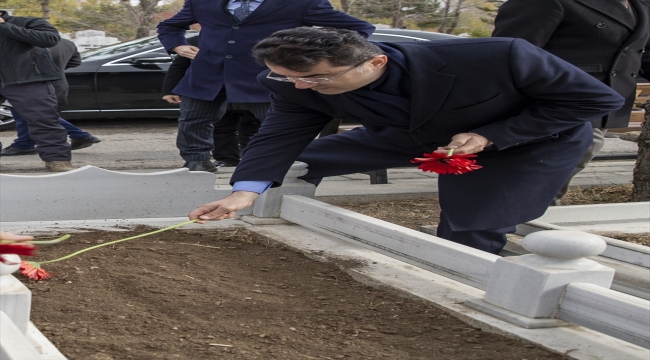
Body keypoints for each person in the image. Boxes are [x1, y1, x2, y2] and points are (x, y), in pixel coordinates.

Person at [188, 27, 624, 254]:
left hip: (526, 140)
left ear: (373, 61)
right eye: (287, 78)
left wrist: (491, 135)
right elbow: (279, 135)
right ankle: (276, 210)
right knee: (299, 159)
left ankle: (467, 276)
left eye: (315, 77)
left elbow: (594, 99)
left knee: (471, 219)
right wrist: (245, 191)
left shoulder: (500, 55)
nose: (299, 87)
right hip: (405, 134)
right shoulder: (295, 85)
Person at [156, 0, 375, 172]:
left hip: (265, 74)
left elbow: (358, 28)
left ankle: (278, 164)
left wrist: (317, 55)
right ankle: (197, 162)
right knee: (193, 119)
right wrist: (177, 45)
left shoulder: (303, 3)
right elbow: (169, 26)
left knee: (277, 122)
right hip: (207, 72)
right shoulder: (200, 2)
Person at [492, 0, 650, 205]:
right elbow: (507, 55)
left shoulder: (642, 6)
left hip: (604, 108)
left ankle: (527, 219)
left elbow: (642, 54)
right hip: (553, 107)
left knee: (557, 179)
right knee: (535, 180)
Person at [161, 36, 260, 168]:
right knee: (221, 126)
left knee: (252, 125)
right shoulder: (199, 40)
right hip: (217, 91)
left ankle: (253, 161)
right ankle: (226, 159)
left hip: (250, 91)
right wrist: (170, 90)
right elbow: (180, 66)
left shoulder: (257, 36)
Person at [0, 10, 74, 172]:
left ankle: (57, 159)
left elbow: (51, 39)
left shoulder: (27, 23)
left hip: (27, 79)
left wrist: (4, 26)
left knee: (43, 120)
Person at [1, 39, 101, 156]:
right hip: (57, 83)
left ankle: (80, 135)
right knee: (37, 114)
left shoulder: (25, 43)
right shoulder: (66, 43)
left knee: (35, 115)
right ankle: (24, 144)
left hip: (30, 84)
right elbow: (75, 62)